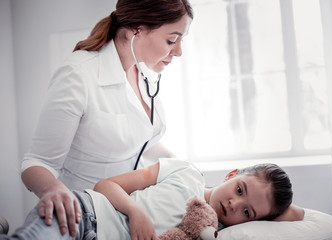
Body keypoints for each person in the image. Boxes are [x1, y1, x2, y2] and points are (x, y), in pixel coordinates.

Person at [20, 0, 193, 237]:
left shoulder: (143, 73)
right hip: (79, 218)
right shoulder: (79, 75)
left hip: (122, 217)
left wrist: (184, 170)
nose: (179, 51)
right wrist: (52, 189)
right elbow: (36, 162)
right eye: (172, 40)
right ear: (137, 30)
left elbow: (144, 140)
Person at [1, 159, 305, 240]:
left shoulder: (212, 234)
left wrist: (275, 211)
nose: (234, 206)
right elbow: (106, 184)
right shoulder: (187, 173)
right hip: (85, 215)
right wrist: (135, 211)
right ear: (232, 173)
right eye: (240, 190)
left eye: (248, 212)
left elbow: (298, 216)